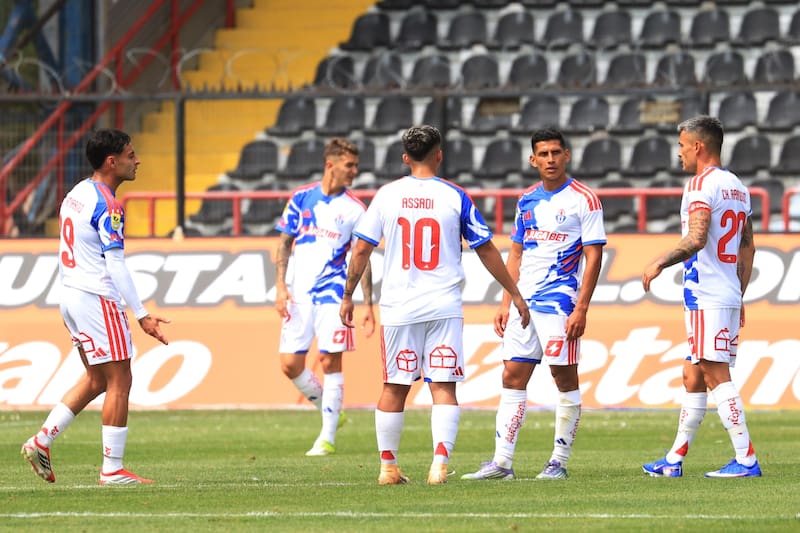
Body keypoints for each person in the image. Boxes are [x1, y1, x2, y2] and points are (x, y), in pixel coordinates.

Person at [339, 125, 531, 486]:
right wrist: (514, 293)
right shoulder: (455, 196)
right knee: (443, 385)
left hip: (398, 307)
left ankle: (388, 468)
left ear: (405, 158)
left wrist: (349, 295)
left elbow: (362, 247)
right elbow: (486, 249)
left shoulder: (386, 195)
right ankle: (439, 465)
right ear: (439, 154)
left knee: (394, 385)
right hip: (443, 305)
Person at [21, 129, 170, 485]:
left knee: (96, 379)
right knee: (121, 379)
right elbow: (115, 264)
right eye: (131, 155)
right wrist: (142, 315)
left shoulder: (76, 193)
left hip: (70, 295)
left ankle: (42, 440)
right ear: (111, 161)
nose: (137, 161)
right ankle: (112, 469)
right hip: (96, 297)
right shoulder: (109, 205)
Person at [462, 127, 606, 481]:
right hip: (524, 301)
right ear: (533, 160)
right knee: (512, 375)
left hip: (560, 301)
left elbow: (594, 255)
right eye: (543, 154)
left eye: (556, 152)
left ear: (566, 156)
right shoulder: (526, 199)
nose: (550, 159)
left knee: (563, 375)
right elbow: (516, 253)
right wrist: (506, 300)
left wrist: (582, 307)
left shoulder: (584, 199)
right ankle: (502, 463)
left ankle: (558, 460)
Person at [642, 115, 760, 478]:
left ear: (698, 146)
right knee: (692, 375)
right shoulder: (738, 187)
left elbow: (696, 238)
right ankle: (674, 459)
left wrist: (658, 262)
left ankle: (746, 459)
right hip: (724, 292)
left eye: (681, 145)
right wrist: (738, 296)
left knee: (714, 374)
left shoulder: (700, 185)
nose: (678, 153)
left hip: (705, 293)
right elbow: (748, 246)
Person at [274, 137, 375, 457]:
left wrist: (367, 302)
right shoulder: (301, 198)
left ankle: (327, 437)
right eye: (350, 165)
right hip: (298, 292)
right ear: (330, 164)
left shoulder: (356, 209)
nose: (355, 172)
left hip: (333, 292)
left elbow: (363, 257)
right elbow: (284, 243)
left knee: (331, 360)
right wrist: (280, 286)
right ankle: (331, 410)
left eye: (356, 166)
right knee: (290, 364)